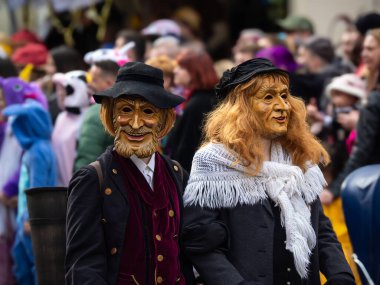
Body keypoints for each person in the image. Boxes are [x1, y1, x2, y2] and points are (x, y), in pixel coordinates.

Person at [182, 58, 356, 285]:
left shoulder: (298, 157)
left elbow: (321, 231)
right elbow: (201, 244)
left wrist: (341, 275)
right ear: (240, 107)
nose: (283, 105)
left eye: (284, 95)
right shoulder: (213, 161)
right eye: (268, 97)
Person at [65, 62, 193, 284]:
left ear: (163, 120)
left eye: (147, 112)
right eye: (125, 110)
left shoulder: (177, 174)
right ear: (110, 116)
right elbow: (83, 265)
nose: (135, 124)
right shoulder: (93, 179)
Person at [165, 50, 219, 172]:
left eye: (180, 67)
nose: (175, 71)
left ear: (194, 71)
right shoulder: (206, 98)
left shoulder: (198, 104)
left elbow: (187, 148)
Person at [73, 60, 118, 171]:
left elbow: (87, 157)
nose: (89, 84)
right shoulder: (134, 109)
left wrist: (79, 183)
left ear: (109, 83)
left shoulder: (98, 112)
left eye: (94, 80)